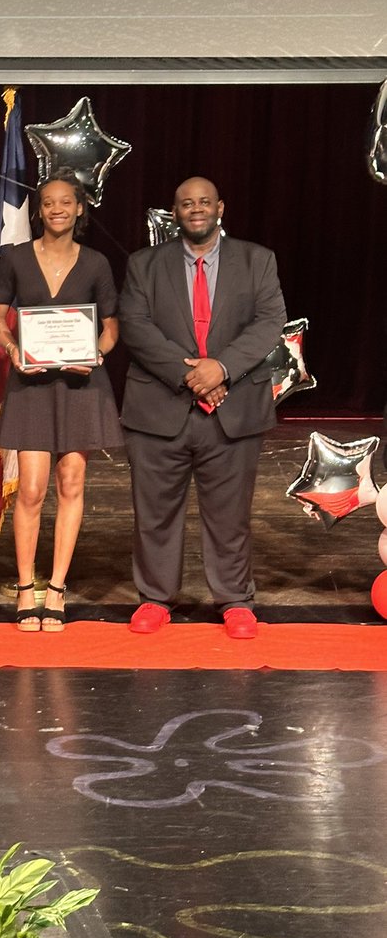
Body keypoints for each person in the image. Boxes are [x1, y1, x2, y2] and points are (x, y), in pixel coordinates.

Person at [118, 175, 286, 639]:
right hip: (159, 409)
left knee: (230, 515)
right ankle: (155, 598)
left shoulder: (257, 260)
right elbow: (135, 326)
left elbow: (271, 320)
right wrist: (193, 374)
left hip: (234, 410)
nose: (196, 208)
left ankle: (234, 600)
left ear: (220, 208)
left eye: (205, 202)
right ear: (175, 213)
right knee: (154, 514)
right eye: (187, 203)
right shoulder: (143, 264)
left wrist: (223, 368)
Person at [0, 169, 123, 632]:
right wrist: (11, 349)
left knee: (71, 484)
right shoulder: (15, 258)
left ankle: (57, 588)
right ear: (39, 209)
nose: (57, 209)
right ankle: (26, 586)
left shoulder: (97, 263)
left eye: (66, 202)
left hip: (80, 386)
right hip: (30, 386)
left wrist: (97, 355)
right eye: (48, 202)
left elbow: (110, 328)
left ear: (80, 208)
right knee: (30, 490)